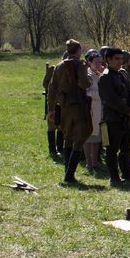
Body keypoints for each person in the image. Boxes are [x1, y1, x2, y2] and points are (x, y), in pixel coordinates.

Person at [47, 39, 93, 184]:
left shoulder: (59, 66)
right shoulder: (80, 64)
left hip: (64, 106)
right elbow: (84, 83)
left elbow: (52, 89)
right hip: (79, 106)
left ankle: (67, 171)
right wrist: (90, 79)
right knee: (81, 136)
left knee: (68, 137)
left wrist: (51, 109)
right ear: (78, 51)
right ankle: (69, 175)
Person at [98, 47, 130, 185]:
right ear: (108, 59)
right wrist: (127, 110)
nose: (120, 62)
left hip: (126, 118)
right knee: (112, 149)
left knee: (127, 148)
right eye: (116, 59)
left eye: (121, 59)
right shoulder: (105, 77)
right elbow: (110, 100)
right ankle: (114, 177)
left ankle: (128, 174)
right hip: (112, 119)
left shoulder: (123, 74)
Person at [83, 49, 104, 174]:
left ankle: (95, 162)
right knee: (88, 137)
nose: (98, 65)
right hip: (90, 109)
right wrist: (99, 95)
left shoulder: (100, 75)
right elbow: (87, 92)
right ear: (89, 62)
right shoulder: (88, 76)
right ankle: (88, 163)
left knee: (97, 138)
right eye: (96, 62)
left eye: (100, 62)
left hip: (99, 109)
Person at [42, 62, 63, 157]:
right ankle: (52, 149)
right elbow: (45, 84)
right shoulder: (53, 69)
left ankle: (60, 148)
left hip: (63, 102)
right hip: (53, 101)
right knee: (51, 126)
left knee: (61, 126)